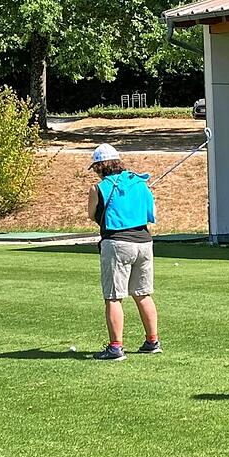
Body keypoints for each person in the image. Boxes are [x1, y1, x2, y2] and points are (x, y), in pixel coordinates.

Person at [86, 144, 161, 361]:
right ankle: (152, 341)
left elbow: (92, 215)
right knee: (143, 294)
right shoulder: (140, 183)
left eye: (95, 168)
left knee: (113, 297)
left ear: (100, 167)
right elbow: (151, 214)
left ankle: (115, 347)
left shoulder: (98, 188)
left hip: (117, 243)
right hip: (144, 243)